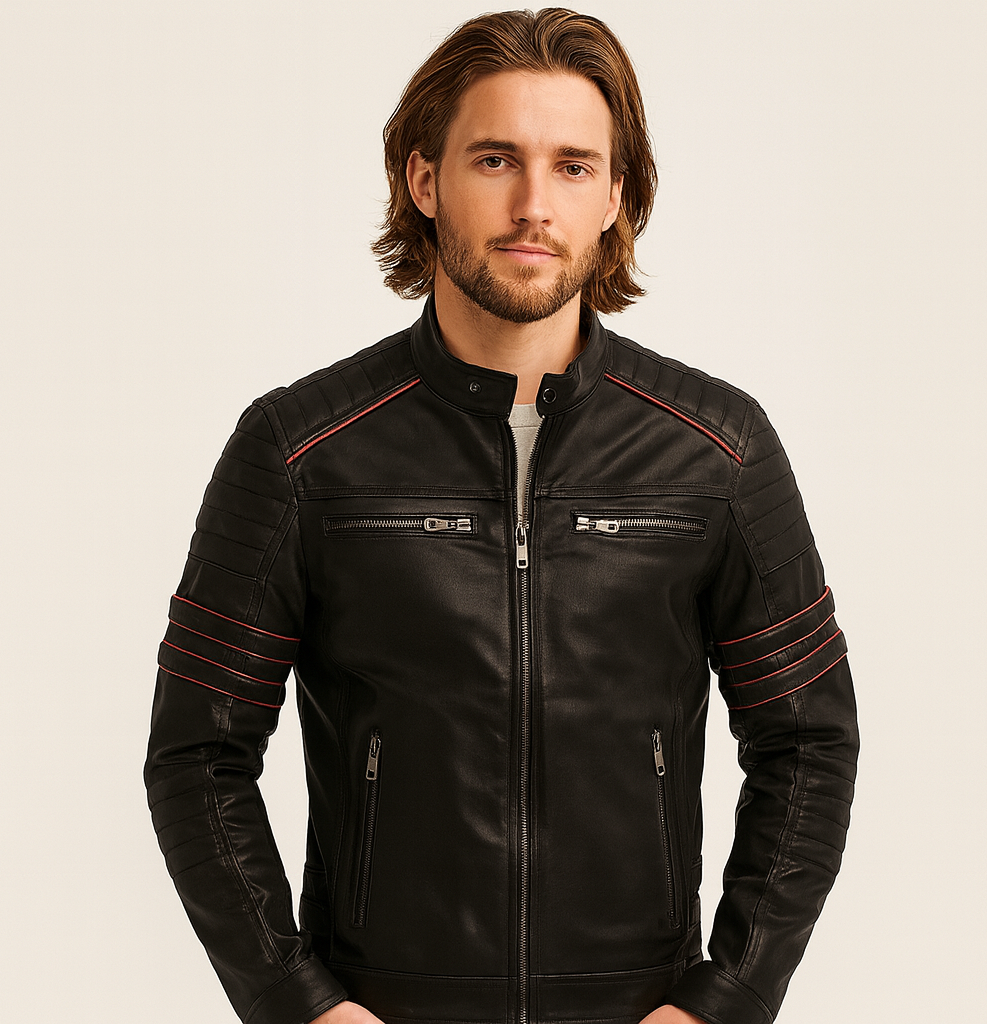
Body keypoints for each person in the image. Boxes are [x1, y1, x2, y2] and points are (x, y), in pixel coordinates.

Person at [145, 9, 858, 1024]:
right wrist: (297, 1003)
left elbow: (809, 741)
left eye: (573, 166)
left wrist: (728, 998)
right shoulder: (302, 450)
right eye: (495, 159)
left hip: (635, 1005)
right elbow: (198, 753)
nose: (533, 205)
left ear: (616, 196)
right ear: (423, 179)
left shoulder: (717, 449)